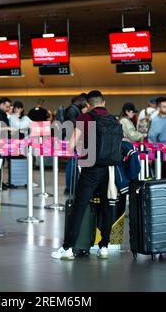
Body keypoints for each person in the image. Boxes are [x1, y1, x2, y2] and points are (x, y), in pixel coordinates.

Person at [52, 90, 119, 260]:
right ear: (103, 102)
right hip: (109, 169)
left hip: (90, 168)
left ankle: (67, 248)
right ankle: (104, 246)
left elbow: (72, 144)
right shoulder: (113, 119)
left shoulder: (85, 118)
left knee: (79, 207)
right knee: (106, 206)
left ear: (88, 105)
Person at [64, 94, 88, 195]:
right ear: (82, 101)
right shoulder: (73, 110)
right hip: (73, 139)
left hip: (73, 138)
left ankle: (71, 187)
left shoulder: (73, 109)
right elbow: (74, 125)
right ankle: (70, 187)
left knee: (73, 162)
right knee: (72, 163)